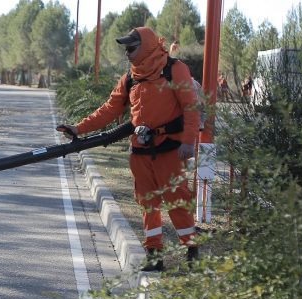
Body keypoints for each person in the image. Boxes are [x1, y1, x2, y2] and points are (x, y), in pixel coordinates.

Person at [58, 27, 199, 271]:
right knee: (147, 203)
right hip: (141, 151)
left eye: (132, 48)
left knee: (177, 201)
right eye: (126, 49)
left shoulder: (174, 69)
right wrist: (78, 129)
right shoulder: (131, 77)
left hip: (170, 149)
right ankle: (154, 256)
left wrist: (188, 141)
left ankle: (192, 253)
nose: (128, 54)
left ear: (146, 46)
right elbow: (109, 109)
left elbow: (191, 108)